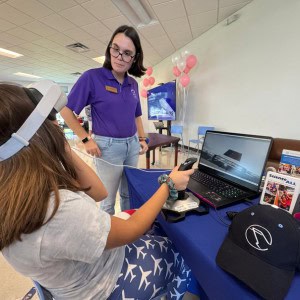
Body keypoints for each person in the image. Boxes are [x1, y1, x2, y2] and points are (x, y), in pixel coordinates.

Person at [0, 83, 195, 299]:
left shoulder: (17, 192)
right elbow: (132, 229)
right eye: (50, 123)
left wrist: (60, 145)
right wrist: (168, 184)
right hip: (108, 283)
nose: (57, 126)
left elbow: (99, 192)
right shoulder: (58, 210)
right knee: (183, 250)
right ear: (39, 135)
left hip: (78, 279)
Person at [60, 25, 148, 215]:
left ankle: (128, 231)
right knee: (107, 199)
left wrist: (141, 139)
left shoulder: (133, 83)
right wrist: (85, 139)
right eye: (115, 49)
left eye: (127, 53)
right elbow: (65, 110)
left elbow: (136, 115)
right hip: (107, 148)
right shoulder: (92, 77)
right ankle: (109, 242)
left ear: (134, 58)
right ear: (109, 48)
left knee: (128, 193)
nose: (119, 57)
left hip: (132, 145)